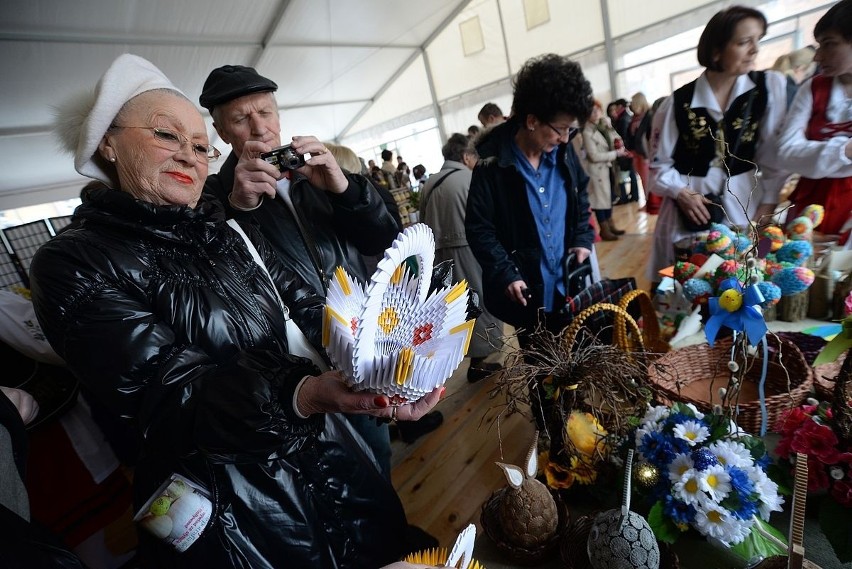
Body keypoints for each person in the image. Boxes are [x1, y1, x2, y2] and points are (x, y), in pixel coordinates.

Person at [31, 54, 443, 568]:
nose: (189, 155)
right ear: (107, 144)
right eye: (167, 135)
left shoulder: (221, 227)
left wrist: (380, 370)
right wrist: (303, 392)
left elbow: (308, 306)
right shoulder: (73, 261)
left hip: (324, 452)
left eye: (200, 145)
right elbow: (170, 394)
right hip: (236, 505)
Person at [199, 65, 442, 462]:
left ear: (278, 115)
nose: (259, 128)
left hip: (365, 340)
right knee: (330, 462)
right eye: (241, 119)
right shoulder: (215, 197)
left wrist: (345, 189)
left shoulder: (312, 172)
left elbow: (382, 240)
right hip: (297, 367)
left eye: (265, 112)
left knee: (374, 448)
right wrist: (236, 209)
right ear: (222, 132)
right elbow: (219, 277)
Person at [646, 5, 788, 283]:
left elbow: (773, 156)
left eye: (758, 40)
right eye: (744, 42)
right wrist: (681, 193)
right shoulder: (677, 103)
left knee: (748, 282)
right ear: (716, 51)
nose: (755, 50)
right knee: (689, 286)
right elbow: (657, 167)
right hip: (691, 212)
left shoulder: (768, 89)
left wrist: (769, 201)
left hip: (748, 204)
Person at [466, 53, 595, 334]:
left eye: (571, 130)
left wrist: (583, 238)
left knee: (583, 358)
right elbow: (480, 229)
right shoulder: (491, 166)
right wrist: (505, 272)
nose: (564, 138)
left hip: (569, 282)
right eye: (560, 129)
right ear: (533, 120)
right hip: (527, 293)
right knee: (542, 369)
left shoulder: (563, 152)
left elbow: (581, 194)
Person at [420, 133, 504, 383]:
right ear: (466, 156)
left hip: (439, 257)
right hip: (471, 250)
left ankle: (467, 358)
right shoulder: (470, 178)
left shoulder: (429, 183)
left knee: (456, 310)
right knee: (481, 304)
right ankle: (481, 361)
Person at [778, 0, 852, 242]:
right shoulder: (813, 88)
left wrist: (813, 156)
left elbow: (797, 152)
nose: (818, 56)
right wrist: (845, 150)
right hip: (809, 206)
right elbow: (786, 152)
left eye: (829, 44)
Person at [581, 100, 630, 241]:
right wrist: (616, 154)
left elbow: (617, 139)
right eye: (592, 111)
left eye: (598, 110)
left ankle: (610, 225)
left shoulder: (603, 126)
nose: (596, 113)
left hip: (608, 167)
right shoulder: (587, 131)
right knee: (599, 201)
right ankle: (604, 229)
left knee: (608, 198)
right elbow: (594, 156)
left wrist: (610, 128)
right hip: (597, 170)